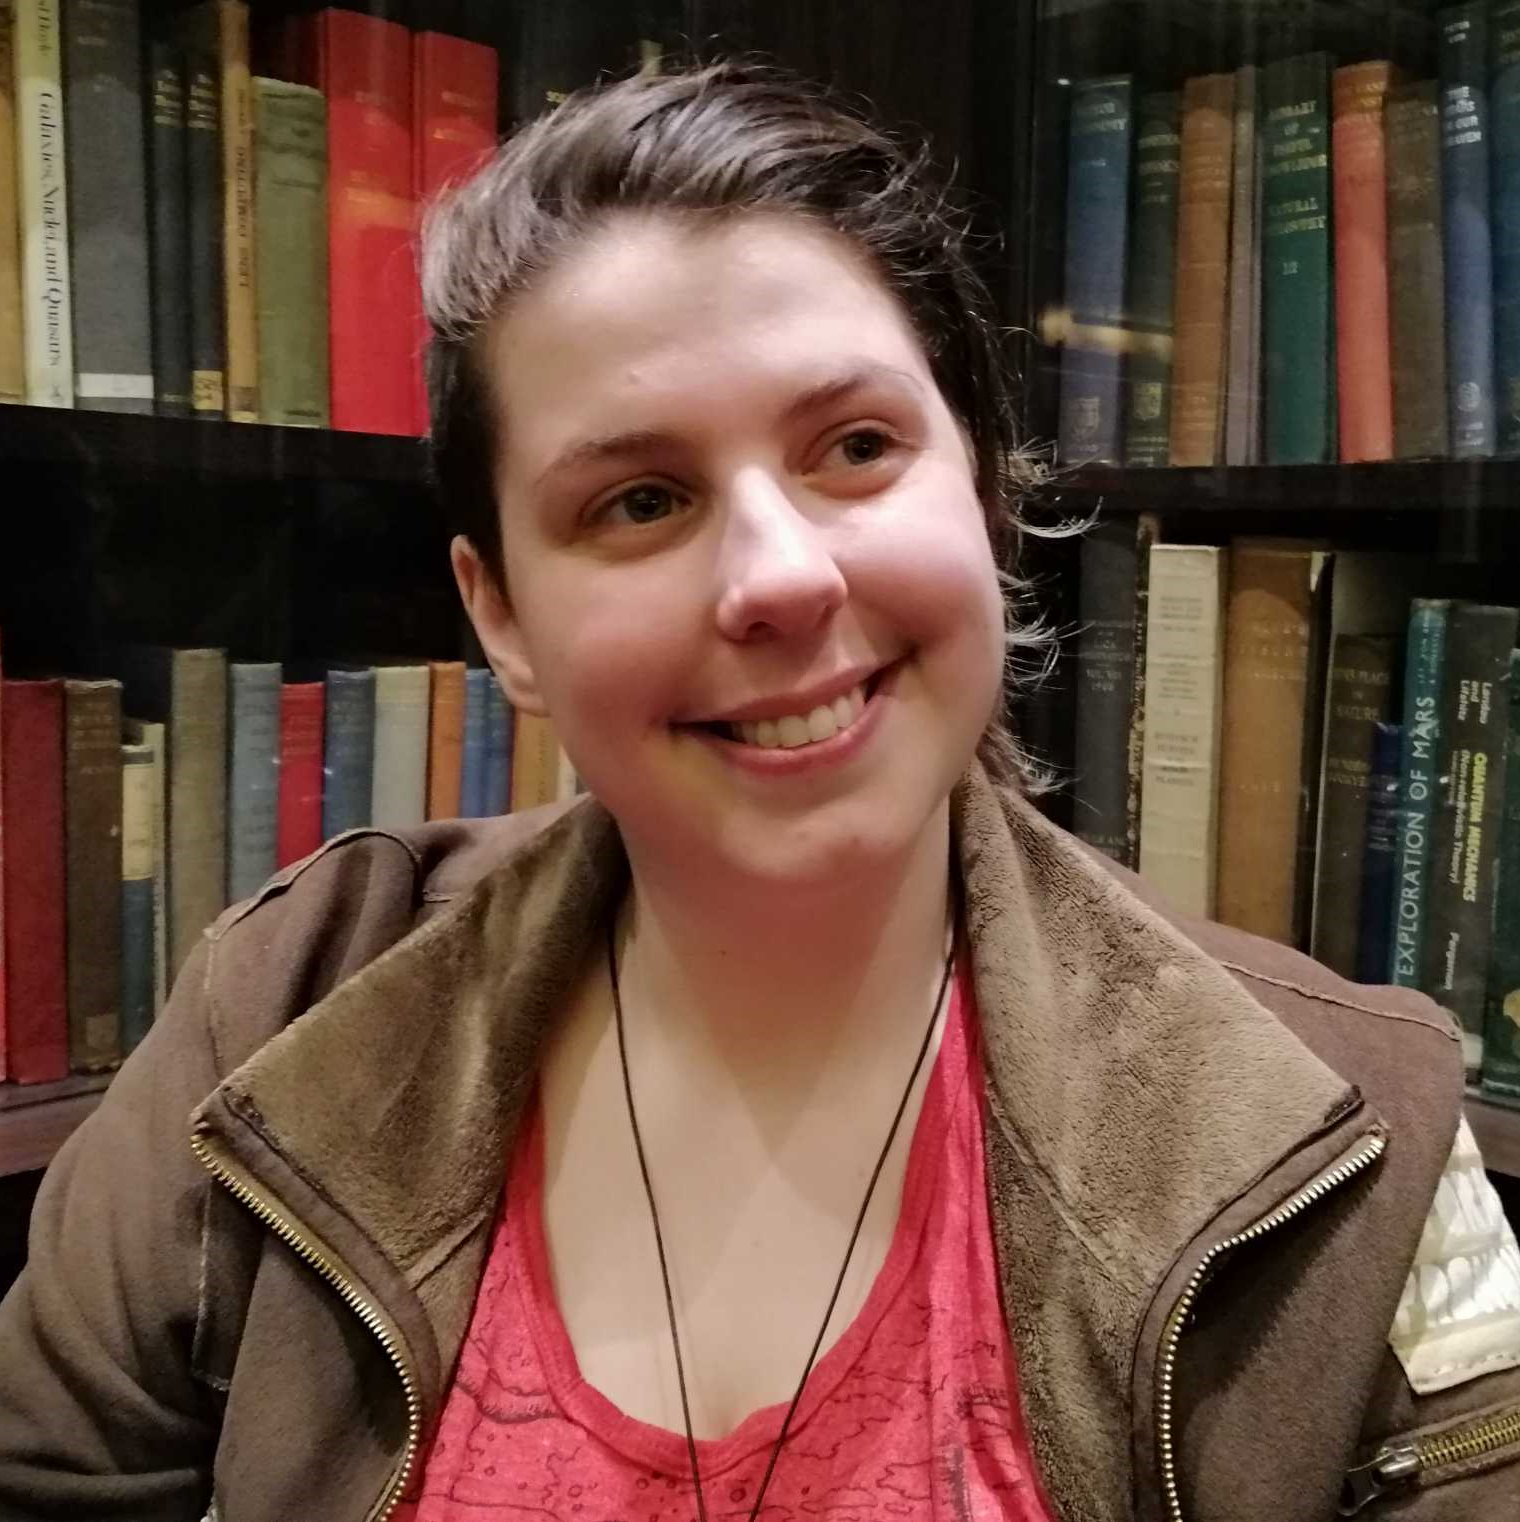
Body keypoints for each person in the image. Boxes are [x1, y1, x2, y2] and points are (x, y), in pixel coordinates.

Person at [2, 59, 1518, 1522]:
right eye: (640, 499)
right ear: (504, 618)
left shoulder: (1350, 1139)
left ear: (982, 491)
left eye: (855, 446)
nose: (782, 578)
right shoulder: (278, 1011)